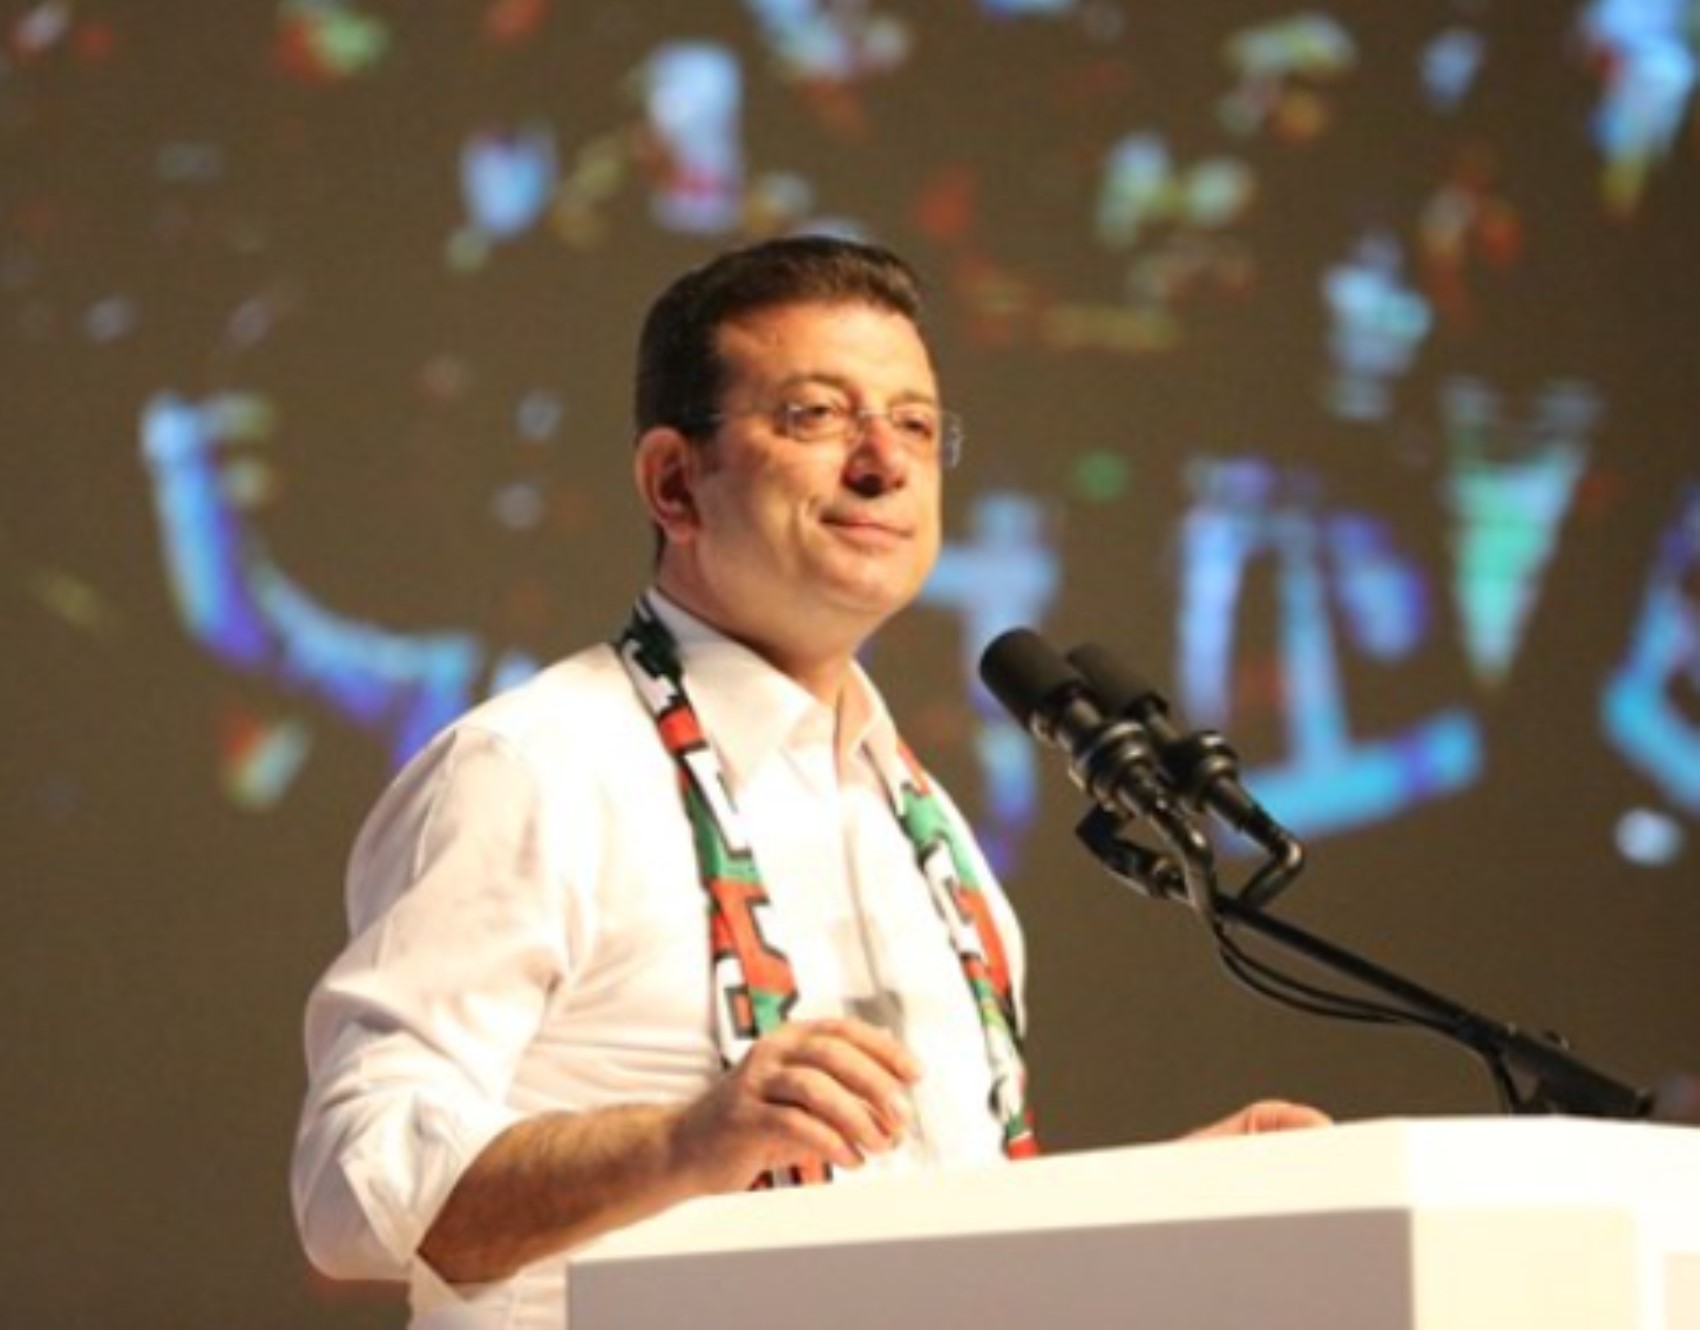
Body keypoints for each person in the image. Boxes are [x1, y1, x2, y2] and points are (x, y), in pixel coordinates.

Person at [290, 234, 1325, 1330]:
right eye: (815, 416)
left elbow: (937, 1251)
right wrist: (686, 1144)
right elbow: (351, 1195)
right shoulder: (532, 769)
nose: (883, 463)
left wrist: (1171, 1201)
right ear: (674, 482)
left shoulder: (920, 822)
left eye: (915, 425)